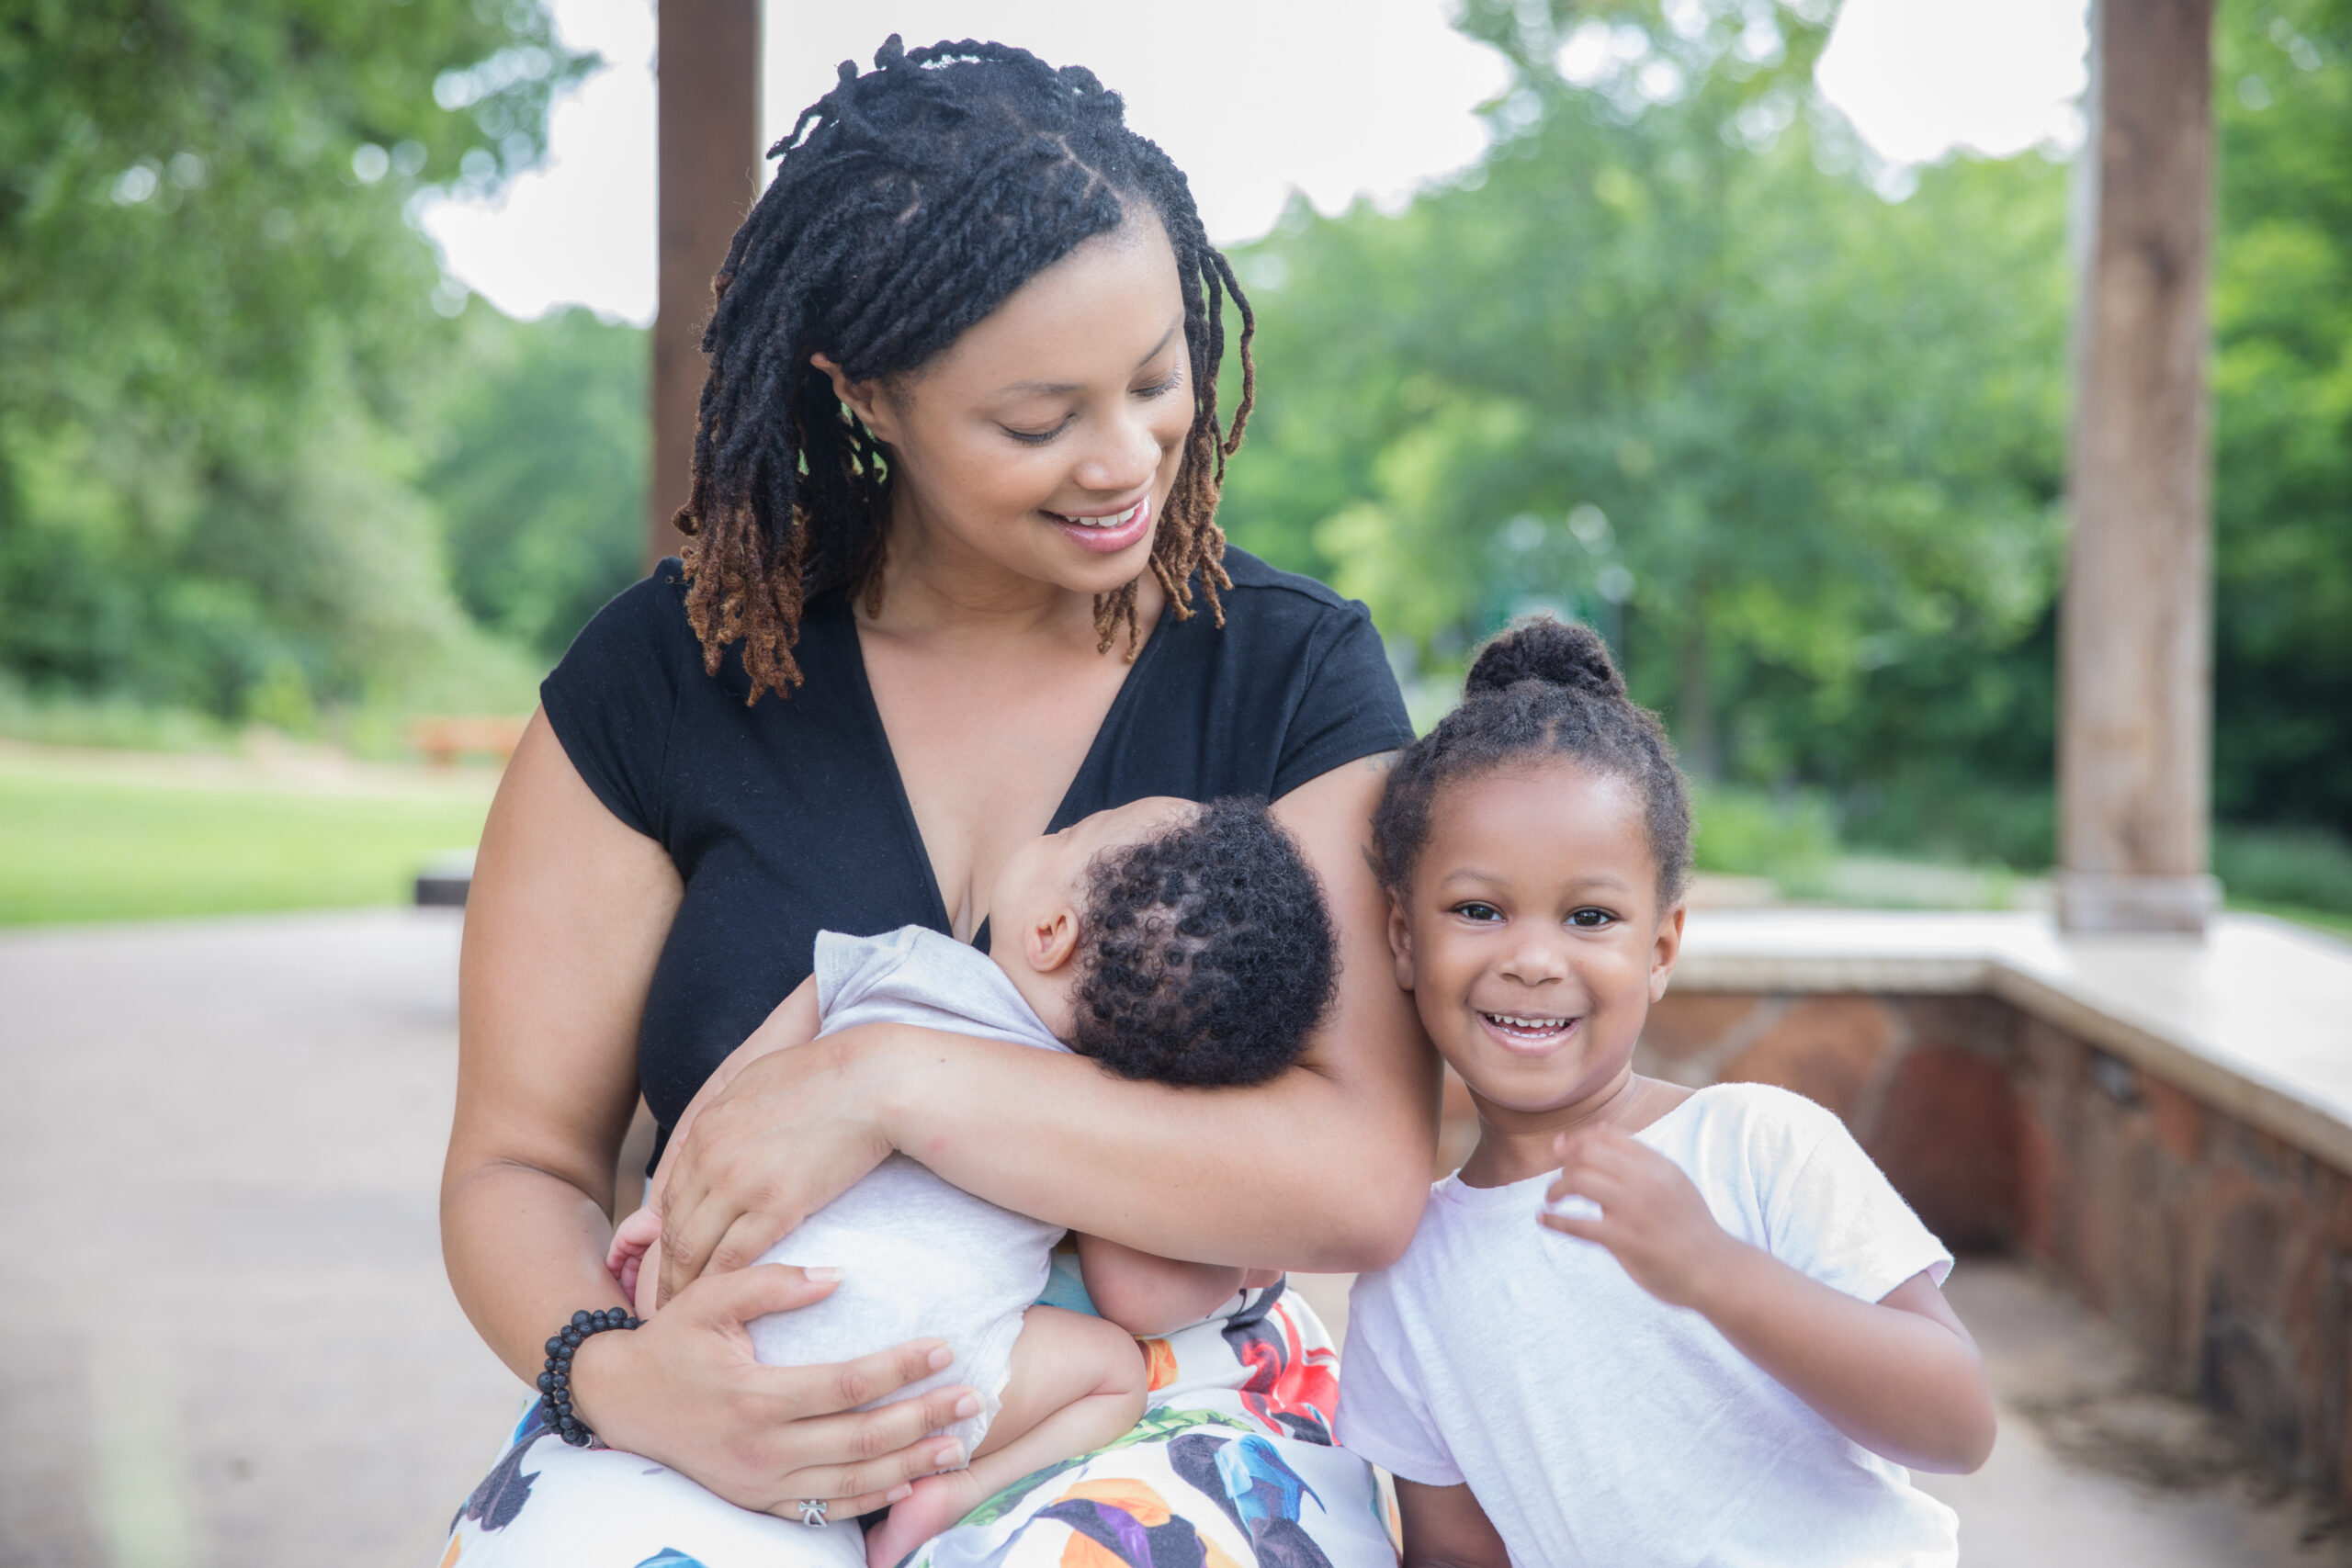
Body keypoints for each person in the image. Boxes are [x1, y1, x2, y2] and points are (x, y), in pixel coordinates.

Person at [438, 36, 1431, 1568]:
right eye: (1040, 421)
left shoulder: (1293, 679)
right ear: (866, 389)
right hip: (713, 1380)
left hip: (1142, 1392)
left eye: (1158, 379)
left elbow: (1357, 1173)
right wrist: (619, 1376)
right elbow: (521, 1164)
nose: (1126, 460)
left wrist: (891, 1078)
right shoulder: (666, 678)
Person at [1335, 618, 1997, 1568]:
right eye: (1478, 910)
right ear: (1402, 939)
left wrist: (1713, 1273)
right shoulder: (1407, 1275)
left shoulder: (1759, 1145)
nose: (1530, 959)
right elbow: (1453, 1554)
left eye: (1589, 917)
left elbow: (1956, 1425)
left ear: (1659, 949)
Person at [605, 795, 1335, 1567]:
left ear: (1051, 933)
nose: (1052, 828)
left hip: (710, 1321)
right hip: (919, 1389)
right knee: (1116, 1373)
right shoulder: (1098, 1106)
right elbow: (1138, 1296)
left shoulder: (891, 960)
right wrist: (1243, 1264)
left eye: (1070, 833)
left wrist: (662, 1219)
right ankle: (952, 1494)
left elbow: (734, 1099)